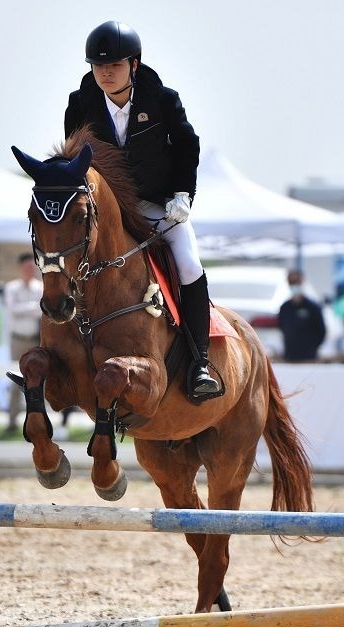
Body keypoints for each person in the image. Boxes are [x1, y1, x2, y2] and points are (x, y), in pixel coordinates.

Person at [63, 20, 219, 400]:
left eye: (114, 65)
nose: (105, 73)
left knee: (189, 264)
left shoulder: (163, 100)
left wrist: (183, 194)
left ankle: (199, 361)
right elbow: (73, 163)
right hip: (107, 213)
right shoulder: (80, 104)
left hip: (159, 208)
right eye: (98, 66)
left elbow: (187, 146)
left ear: (134, 64)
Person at [4, 253, 44, 434]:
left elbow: (42, 310)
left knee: (39, 381)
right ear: (21, 269)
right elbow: (13, 310)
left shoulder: (41, 287)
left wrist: (28, 307)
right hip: (18, 339)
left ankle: (39, 419)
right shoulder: (12, 288)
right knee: (15, 379)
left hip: (36, 340)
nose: (30, 270)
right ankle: (12, 419)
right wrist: (33, 306)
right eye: (27, 267)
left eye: (32, 267)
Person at [278, 270, 327, 363]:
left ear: (302, 282)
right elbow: (282, 328)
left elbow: (322, 331)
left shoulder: (313, 307)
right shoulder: (285, 308)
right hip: (289, 357)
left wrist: (312, 348)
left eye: (297, 282)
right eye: (291, 283)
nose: (294, 285)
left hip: (309, 357)